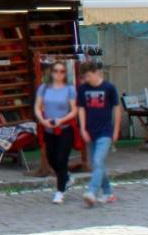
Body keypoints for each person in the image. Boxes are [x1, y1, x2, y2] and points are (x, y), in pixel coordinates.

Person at [77, 60, 121, 207]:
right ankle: (108, 193)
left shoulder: (109, 88)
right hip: (90, 132)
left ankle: (92, 191)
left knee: (97, 161)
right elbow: (81, 108)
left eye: (89, 75)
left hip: (105, 131)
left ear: (96, 72)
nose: (87, 79)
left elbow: (117, 108)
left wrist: (116, 130)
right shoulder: (83, 89)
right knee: (97, 164)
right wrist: (82, 128)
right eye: (85, 77)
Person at [34, 60, 78, 204]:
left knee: (62, 158)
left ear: (65, 74)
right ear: (51, 73)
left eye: (62, 71)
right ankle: (66, 177)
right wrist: (42, 119)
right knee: (51, 158)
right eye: (56, 71)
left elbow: (74, 110)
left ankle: (60, 191)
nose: (59, 74)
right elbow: (37, 106)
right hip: (48, 127)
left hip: (64, 128)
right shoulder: (44, 88)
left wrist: (62, 120)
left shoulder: (70, 89)